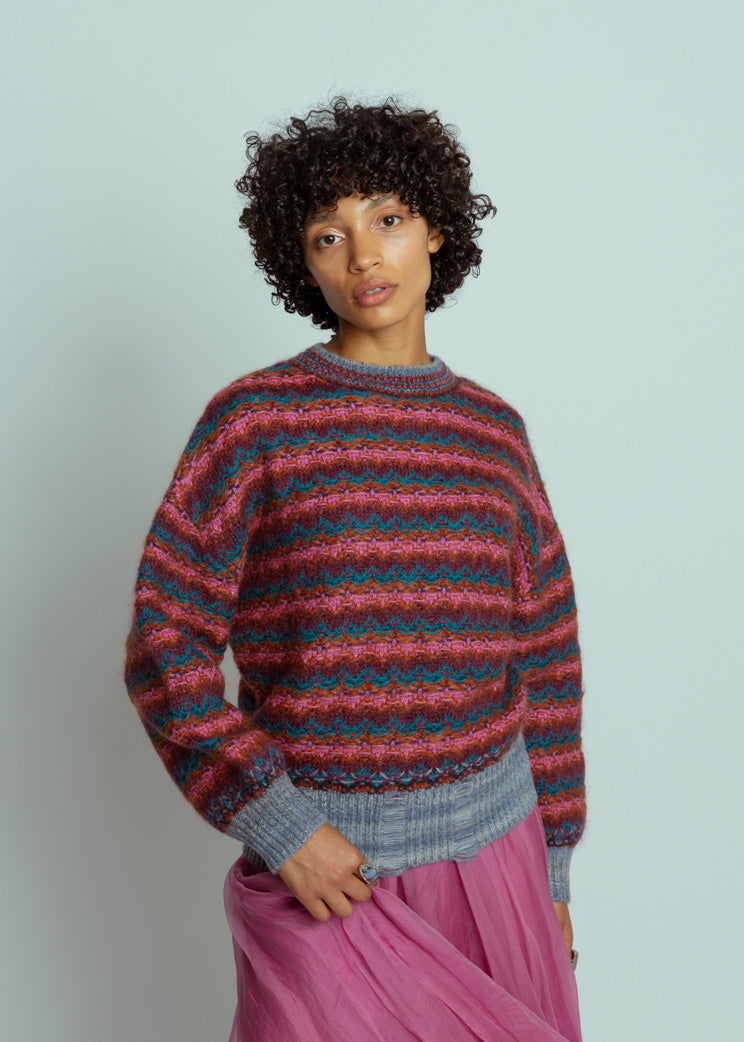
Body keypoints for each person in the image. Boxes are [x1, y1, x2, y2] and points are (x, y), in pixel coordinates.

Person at [125, 97, 586, 1041]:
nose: (364, 256)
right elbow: (163, 641)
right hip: (330, 873)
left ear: (436, 230)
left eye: (388, 219)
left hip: (499, 858)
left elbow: (545, 653)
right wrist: (279, 825)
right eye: (329, 236)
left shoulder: (494, 433)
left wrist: (554, 868)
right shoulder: (255, 422)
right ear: (303, 264)